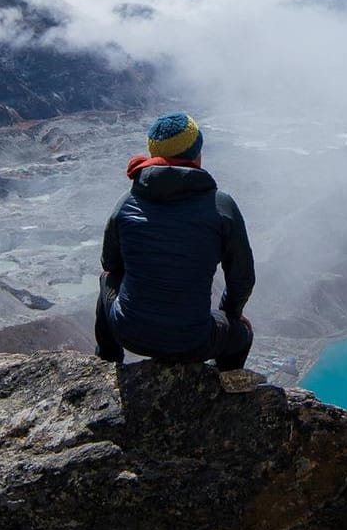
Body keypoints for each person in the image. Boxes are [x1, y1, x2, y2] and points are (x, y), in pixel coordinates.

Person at [94, 113, 255, 369]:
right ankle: (223, 389)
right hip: (194, 342)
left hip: (129, 334)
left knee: (107, 279)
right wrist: (230, 315)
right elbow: (242, 277)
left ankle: (107, 361)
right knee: (242, 335)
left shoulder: (127, 202)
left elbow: (110, 263)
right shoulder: (220, 205)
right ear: (196, 154)